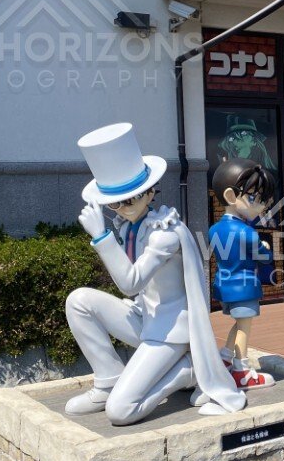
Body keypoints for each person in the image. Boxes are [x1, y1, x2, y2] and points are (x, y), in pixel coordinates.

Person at [64, 123, 246, 423]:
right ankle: (108, 379)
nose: (124, 208)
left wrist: (101, 238)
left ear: (149, 193)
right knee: (79, 300)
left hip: (171, 332)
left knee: (120, 412)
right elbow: (135, 293)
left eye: (131, 199)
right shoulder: (128, 226)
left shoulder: (166, 233)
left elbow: (129, 282)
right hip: (145, 319)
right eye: (115, 204)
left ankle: (186, 371)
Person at [208, 158, 278, 390]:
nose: (259, 206)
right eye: (253, 198)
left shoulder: (214, 229)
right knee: (244, 327)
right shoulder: (248, 233)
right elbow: (263, 257)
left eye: (261, 201)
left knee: (238, 323)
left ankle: (226, 356)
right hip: (244, 285)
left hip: (223, 285)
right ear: (230, 196)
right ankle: (242, 369)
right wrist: (266, 249)